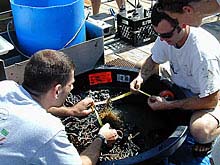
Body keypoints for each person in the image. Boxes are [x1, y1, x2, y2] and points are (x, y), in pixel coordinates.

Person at [130, 3, 220, 158]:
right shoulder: (166, 35)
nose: (163, 40)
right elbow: (153, 60)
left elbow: (210, 100)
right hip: (182, 81)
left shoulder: (202, 54)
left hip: (209, 96)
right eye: (159, 35)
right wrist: (141, 77)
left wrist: (170, 105)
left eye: (166, 36)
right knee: (141, 67)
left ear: (182, 24)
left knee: (200, 130)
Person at [0, 49, 118, 164]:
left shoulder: (5, 87)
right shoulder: (48, 130)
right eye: (70, 84)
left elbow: (35, 104)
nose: (72, 88)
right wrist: (101, 138)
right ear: (57, 90)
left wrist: (71, 111)